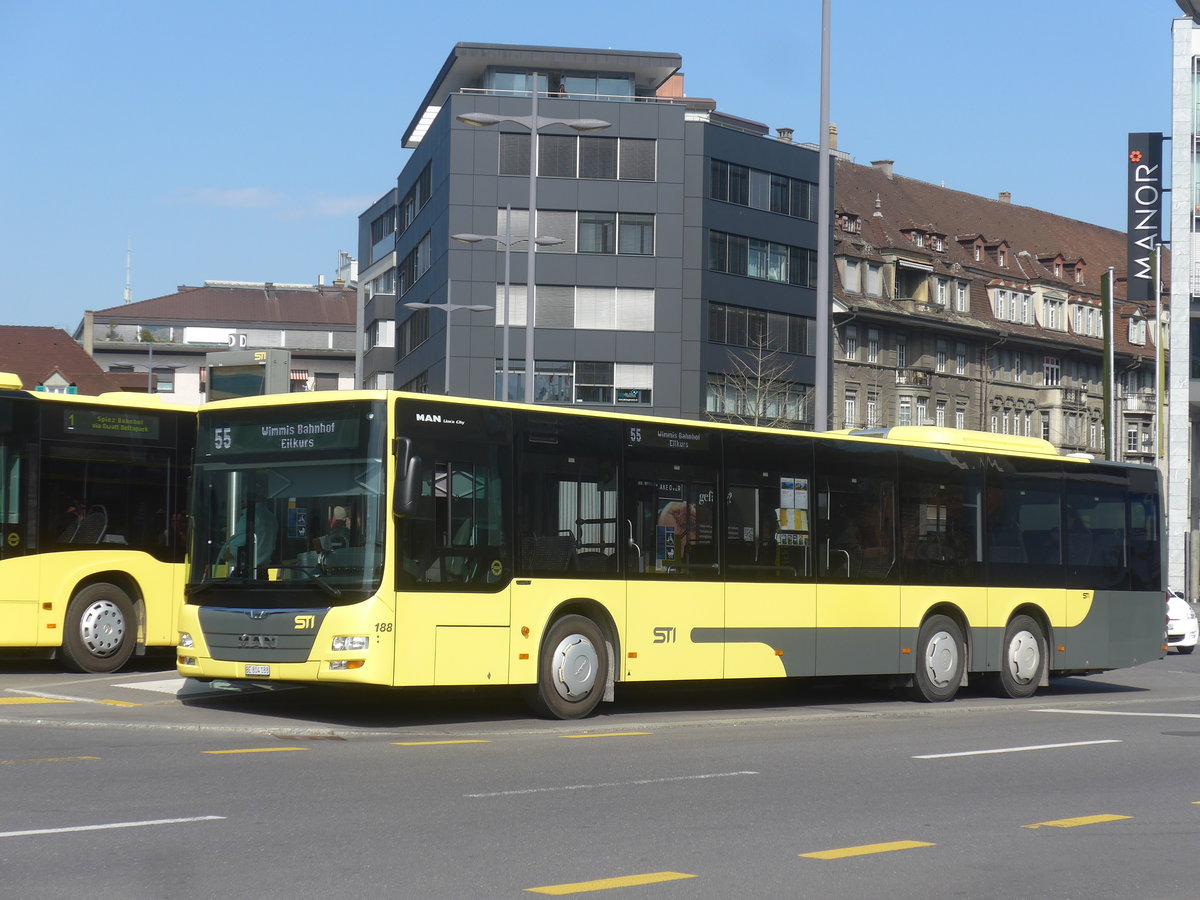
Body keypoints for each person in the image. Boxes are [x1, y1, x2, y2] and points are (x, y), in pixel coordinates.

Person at [218, 494, 278, 571]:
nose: (243, 498)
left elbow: (237, 549)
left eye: (245, 495)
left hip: (245, 571)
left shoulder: (247, 516)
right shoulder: (271, 517)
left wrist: (225, 554)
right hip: (263, 571)